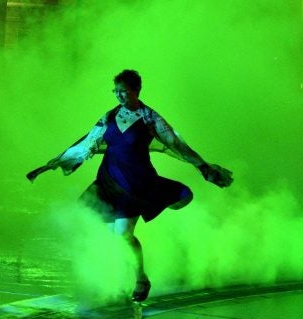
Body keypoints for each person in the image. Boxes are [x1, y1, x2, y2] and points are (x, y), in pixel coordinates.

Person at [27, 69, 233, 302]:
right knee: (92, 218)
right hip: (108, 180)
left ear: (136, 91)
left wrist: (204, 167)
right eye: (116, 91)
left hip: (135, 183)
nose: (119, 96)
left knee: (123, 235)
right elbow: (88, 142)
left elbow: (177, 145)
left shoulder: (150, 118)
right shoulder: (109, 116)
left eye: (123, 91)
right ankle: (117, 266)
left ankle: (141, 279)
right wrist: (53, 163)